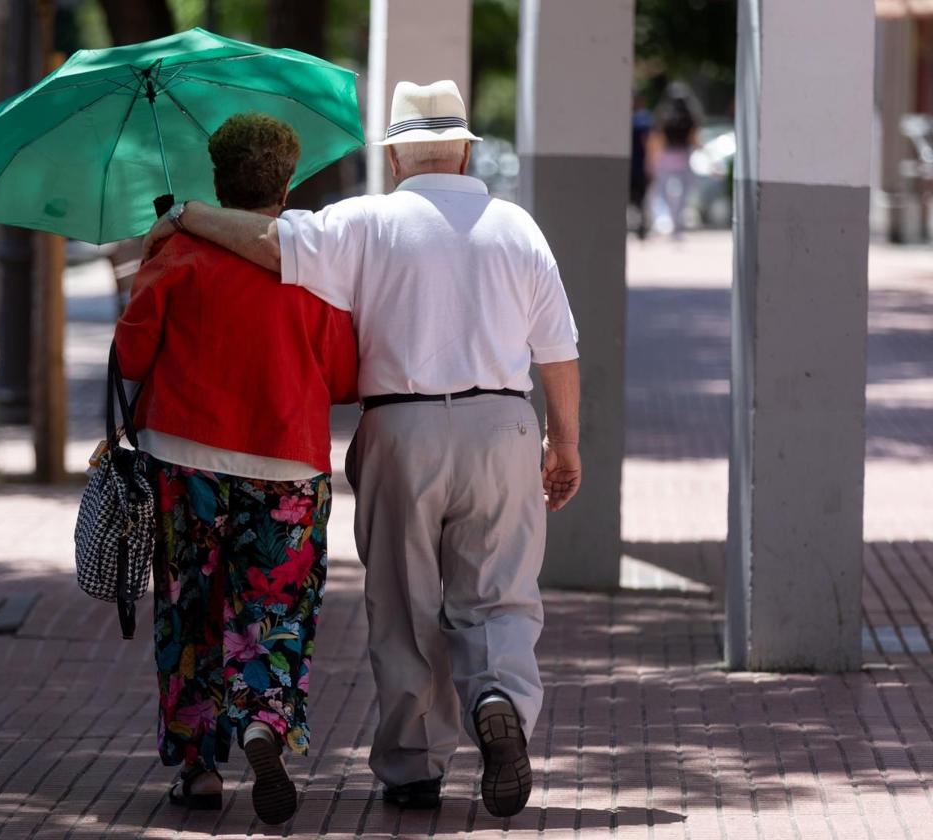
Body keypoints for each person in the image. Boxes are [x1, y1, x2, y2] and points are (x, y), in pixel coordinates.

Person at [143, 80, 582, 818]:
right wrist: (563, 441)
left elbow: (266, 240)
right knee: (500, 593)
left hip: (401, 427)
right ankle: (499, 695)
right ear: (467, 150)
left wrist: (184, 214)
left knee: (403, 604)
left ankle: (413, 768)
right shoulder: (518, 228)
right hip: (503, 424)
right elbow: (559, 350)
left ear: (395, 156)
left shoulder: (366, 222)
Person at [114, 113, 359, 825]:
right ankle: (264, 722)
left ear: (216, 181)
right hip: (286, 465)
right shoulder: (315, 267)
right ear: (285, 184)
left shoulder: (176, 255)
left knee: (191, 611)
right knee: (276, 609)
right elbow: (342, 376)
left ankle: (197, 769)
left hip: (184, 463)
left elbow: (131, 360)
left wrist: (149, 264)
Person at [648, 81, 702, 238]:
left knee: (662, 192)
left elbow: (658, 140)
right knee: (684, 194)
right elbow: (694, 140)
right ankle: (677, 224)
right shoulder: (691, 116)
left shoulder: (663, 115)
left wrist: (653, 160)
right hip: (683, 158)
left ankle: (665, 220)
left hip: (666, 159)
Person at [630, 93, 654, 240]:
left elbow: (648, 142)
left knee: (636, 197)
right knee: (641, 198)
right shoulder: (644, 119)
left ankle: (640, 225)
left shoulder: (636, 119)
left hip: (635, 165)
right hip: (640, 165)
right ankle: (641, 225)